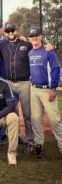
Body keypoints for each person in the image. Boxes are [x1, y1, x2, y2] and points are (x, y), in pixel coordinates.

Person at [0, 24, 34, 152]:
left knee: (27, 113)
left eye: (12, 30)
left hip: (24, 83)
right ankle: (13, 137)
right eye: (7, 31)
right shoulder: (2, 44)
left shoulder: (26, 44)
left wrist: (48, 46)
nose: (10, 32)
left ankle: (30, 141)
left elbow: (37, 48)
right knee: (10, 112)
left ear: (17, 31)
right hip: (9, 83)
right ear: (5, 33)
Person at [28, 28, 62, 158]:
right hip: (34, 89)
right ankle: (39, 146)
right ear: (29, 38)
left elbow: (56, 69)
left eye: (36, 35)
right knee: (36, 119)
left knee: (54, 120)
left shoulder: (48, 51)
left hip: (47, 89)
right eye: (32, 36)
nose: (34, 38)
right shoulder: (30, 52)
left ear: (40, 37)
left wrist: (53, 88)